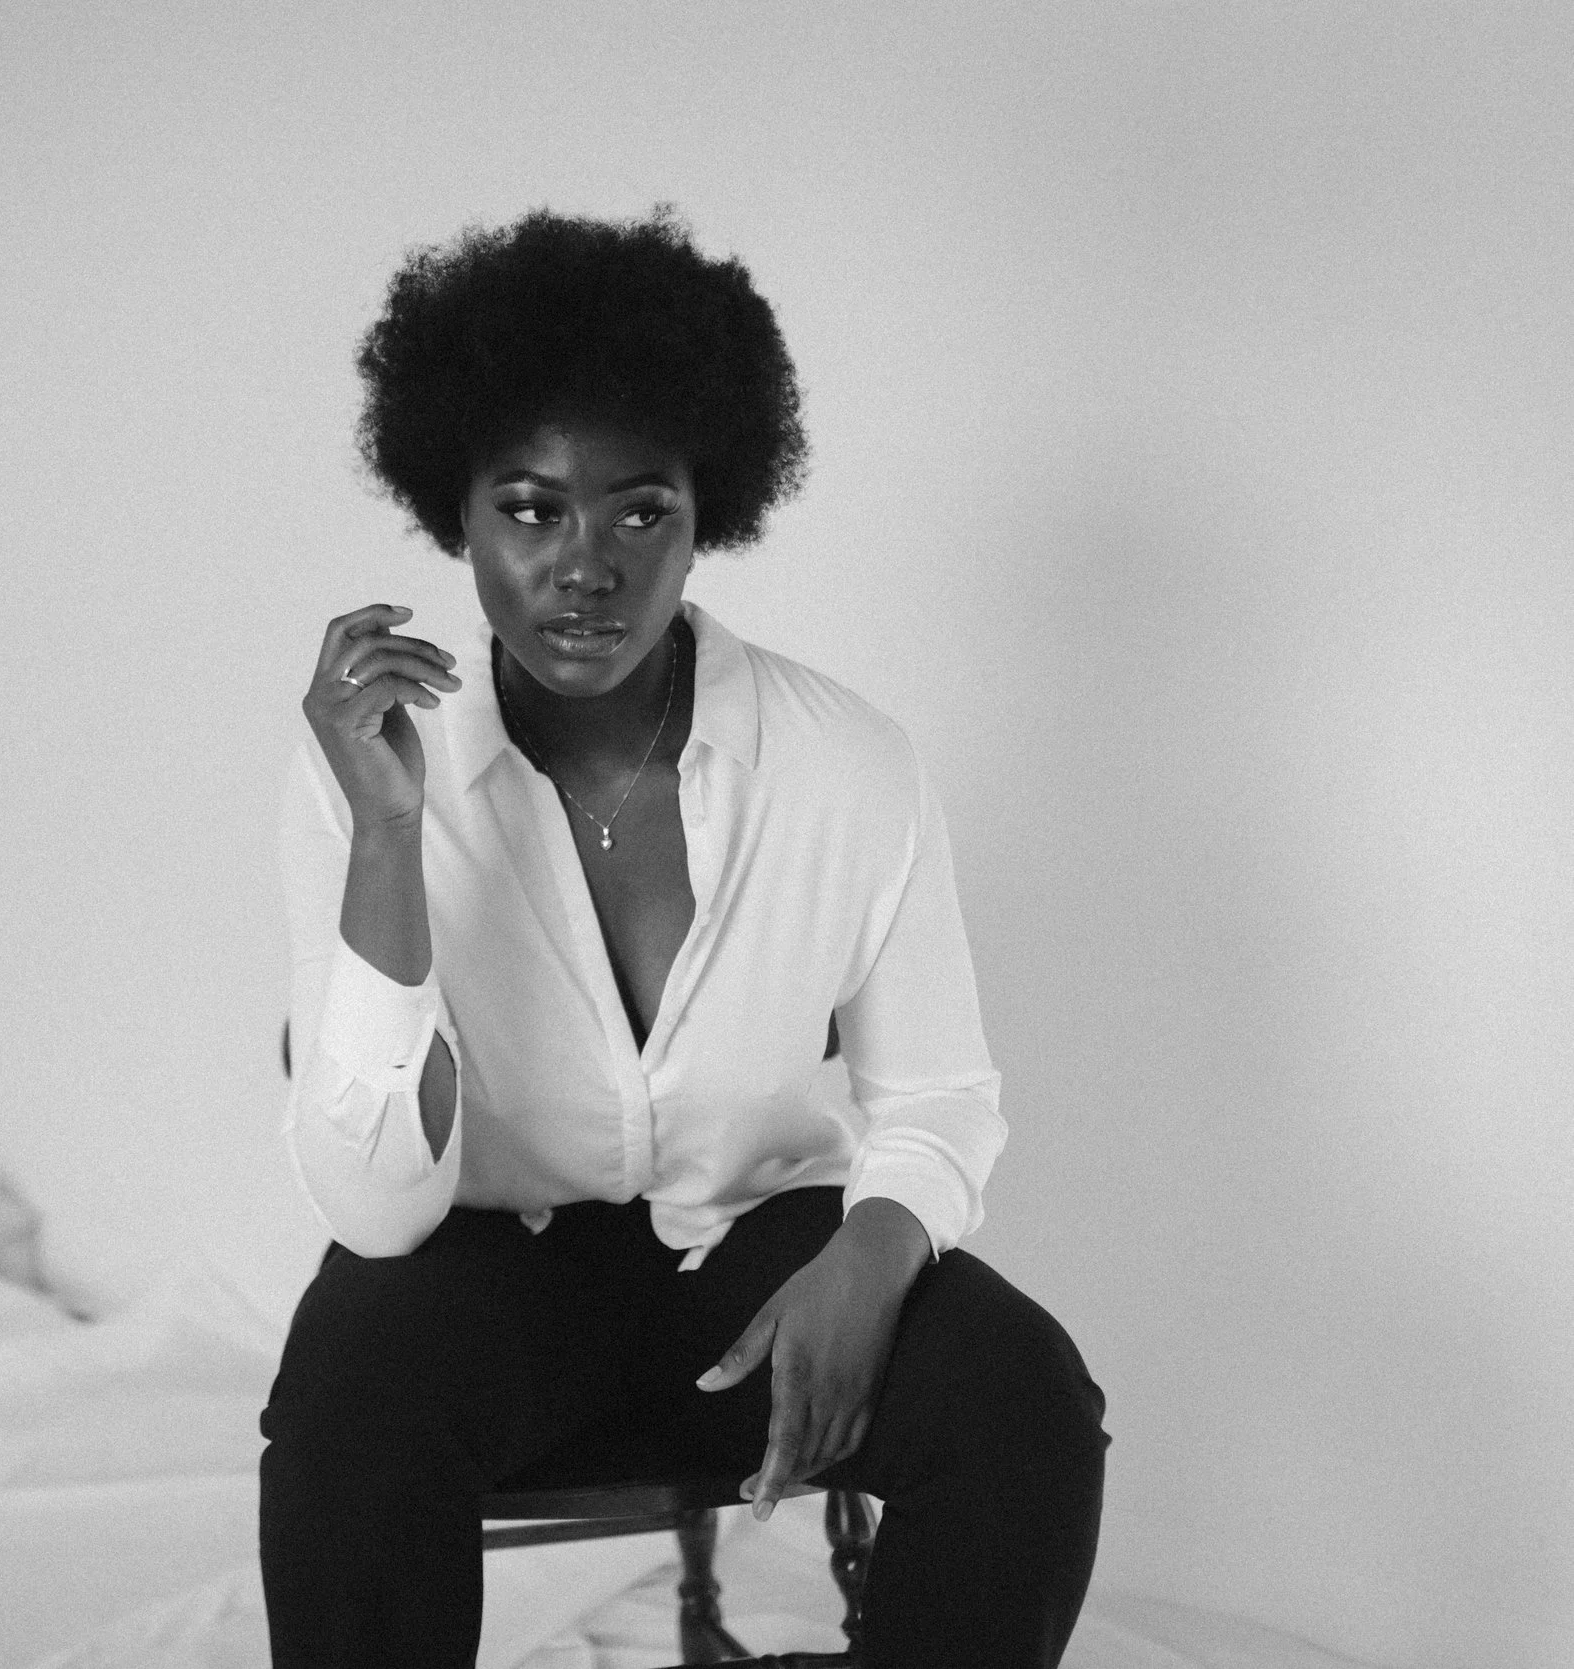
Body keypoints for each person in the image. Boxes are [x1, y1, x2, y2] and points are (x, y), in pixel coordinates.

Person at [261, 208, 1109, 1669]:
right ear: (451, 512)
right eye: (529, 509)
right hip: (488, 1274)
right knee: (351, 1390)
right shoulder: (371, 769)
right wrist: (392, 834)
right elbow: (376, 1206)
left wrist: (874, 1256)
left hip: (758, 1260)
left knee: (1026, 1399)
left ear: (709, 508)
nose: (585, 567)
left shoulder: (847, 765)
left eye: (638, 509)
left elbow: (938, 1101)